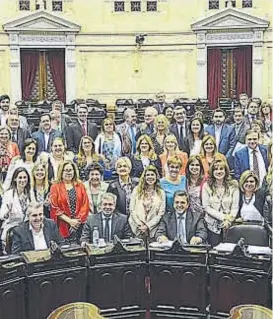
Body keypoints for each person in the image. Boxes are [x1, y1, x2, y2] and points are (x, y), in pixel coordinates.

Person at [50, 160, 90, 242]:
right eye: (66, 170)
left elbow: (85, 205)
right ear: (61, 172)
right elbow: (54, 207)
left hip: (79, 225)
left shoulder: (80, 186)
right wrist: (69, 221)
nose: (69, 173)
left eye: (71, 170)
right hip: (62, 224)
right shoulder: (55, 187)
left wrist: (76, 222)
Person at [202, 160, 239, 246]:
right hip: (211, 225)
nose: (219, 171)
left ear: (225, 171)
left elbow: (235, 207)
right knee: (214, 252)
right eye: (216, 169)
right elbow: (206, 207)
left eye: (221, 169)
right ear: (212, 171)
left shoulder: (233, 185)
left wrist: (229, 220)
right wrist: (223, 217)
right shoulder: (206, 185)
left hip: (229, 225)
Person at [0, 167, 33, 250]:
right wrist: (7, 213)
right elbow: (1, 214)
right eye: (20, 177)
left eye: (25, 177)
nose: (23, 180)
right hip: (12, 227)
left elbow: (35, 207)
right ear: (15, 179)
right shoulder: (8, 194)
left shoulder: (30, 192)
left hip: (26, 227)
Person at [129, 165, 165, 240]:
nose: (150, 177)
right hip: (137, 228)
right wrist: (140, 224)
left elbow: (160, 213)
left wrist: (147, 226)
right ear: (144, 177)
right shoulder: (136, 190)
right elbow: (132, 209)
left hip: (153, 230)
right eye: (147, 175)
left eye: (152, 175)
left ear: (156, 177)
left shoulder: (161, 193)